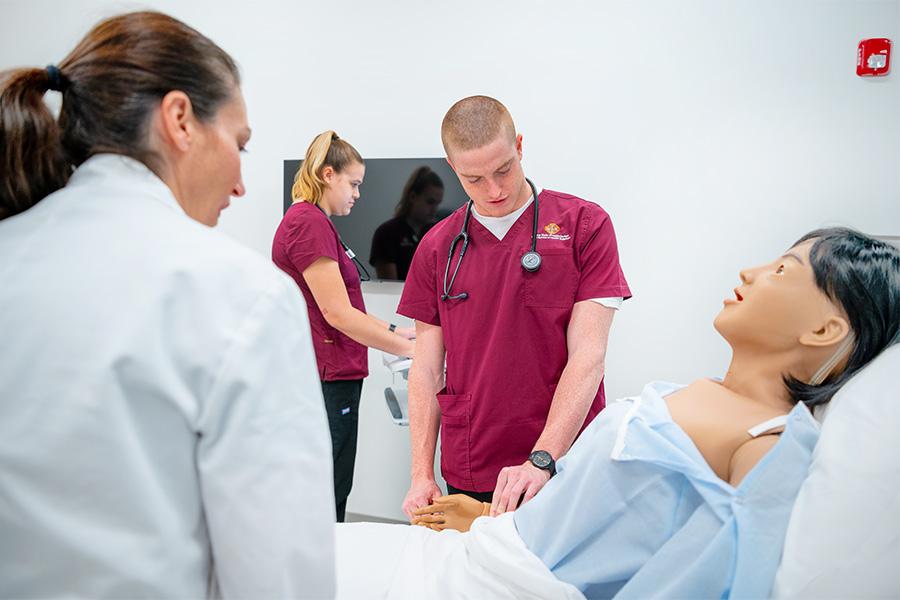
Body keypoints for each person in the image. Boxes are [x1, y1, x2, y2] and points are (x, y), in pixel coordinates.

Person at [334, 227, 900, 600]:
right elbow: (593, 522)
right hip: (487, 549)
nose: (751, 271)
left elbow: (703, 582)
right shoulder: (691, 391)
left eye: (781, 270)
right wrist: (484, 521)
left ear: (825, 330)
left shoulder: (763, 445)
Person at [0, 12, 335, 599]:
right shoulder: (239, 297)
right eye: (240, 144)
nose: (240, 185)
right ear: (179, 119)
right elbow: (280, 580)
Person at [399, 96, 632, 517]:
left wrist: (543, 459)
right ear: (452, 168)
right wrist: (420, 473)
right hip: (474, 459)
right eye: (474, 179)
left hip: (566, 458)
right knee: (474, 577)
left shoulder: (585, 225)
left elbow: (588, 355)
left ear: (519, 146)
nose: (494, 190)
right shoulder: (437, 247)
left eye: (503, 169)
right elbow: (427, 367)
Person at [273, 131, 416, 522]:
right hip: (325, 374)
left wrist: (393, 331)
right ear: (327, 174)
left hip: (331, 370)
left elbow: (342, 305)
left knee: (331, 484)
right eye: (352, 184)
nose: (356, 194)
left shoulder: (315, 221)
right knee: (327, 489)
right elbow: (336, 314)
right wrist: (408, 351)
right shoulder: (307, 223)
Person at [369, 165, 444, 280]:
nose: (434, 210)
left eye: (437, 204)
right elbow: (389, 286)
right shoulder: (387, 233)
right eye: (430, 202)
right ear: (413, 197)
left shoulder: (438, 232)